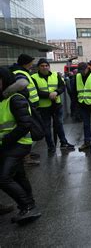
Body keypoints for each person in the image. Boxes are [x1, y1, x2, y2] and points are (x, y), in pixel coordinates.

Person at [0, 67, 41, 225]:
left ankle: (28, 206)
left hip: (18, 144)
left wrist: (6, 140)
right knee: (18, 175)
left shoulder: (15, 98)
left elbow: (24, 125)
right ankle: (29, 203)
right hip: (9, 145)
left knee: (4, 178)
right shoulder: (3, 99)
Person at [31, 58, 74, 154]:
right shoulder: (34, 77)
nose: (44, 67)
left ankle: (64, 143)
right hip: (43, 107)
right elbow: (36, 91)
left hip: (56, 105)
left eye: (46, 65)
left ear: (49, 66)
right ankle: (50, 146)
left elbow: (62, 86)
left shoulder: (55, 75)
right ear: (38, 67)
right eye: (42, 66)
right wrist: (49, 95)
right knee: (46, 127)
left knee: (59, 125)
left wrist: (56, 92)